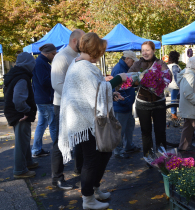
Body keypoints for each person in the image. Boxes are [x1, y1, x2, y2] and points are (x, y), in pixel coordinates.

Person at [58, 32, 127, 210]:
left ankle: (94, 189)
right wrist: (120, 79)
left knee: (104, 153)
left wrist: (110, 93)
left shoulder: (81, 64)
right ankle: (87, 199)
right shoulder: (83, 68)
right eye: (101, 51)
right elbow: (96, 92)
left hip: (86, 119)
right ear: (95, 50)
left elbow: (94, 90)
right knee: (92, 160)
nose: (102, 54)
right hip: (84, 122)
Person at [51, 29, 85, 190]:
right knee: (60, 141)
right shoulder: (61, 57)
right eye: (82, 41)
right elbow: (57, 84)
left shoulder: (77, 56)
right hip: (62, 106)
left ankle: (80, 169)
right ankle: (57, 177)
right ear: (74, 41)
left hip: (76, 104)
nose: (84, 44)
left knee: (79, 137)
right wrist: (77, 95)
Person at [128, 41, 172, 158]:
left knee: (160, 131)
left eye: (147, 50)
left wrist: (157, 80)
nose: (145, 53)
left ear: (153, 50)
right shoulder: (137, 64)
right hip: (143, 102)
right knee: (146, 132)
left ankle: (162, 157)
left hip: (159, 102)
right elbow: (128, 78)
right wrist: (139, 80)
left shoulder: (160, 63)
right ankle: (148, 157)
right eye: (143, 51)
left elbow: (169, 76)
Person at [3, 52, 38, 179]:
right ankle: (20, 170)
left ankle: (27, 162)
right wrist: (27, 111)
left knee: (23, 139)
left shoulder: (14, 74)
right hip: (20, 114)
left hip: (15, 112)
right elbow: (18, 99)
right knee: (21, 141)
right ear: (28, 64)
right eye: (32, 63)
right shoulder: (22, 77)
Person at [112, 50, 141, 159]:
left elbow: (127, 85)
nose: (133, 63)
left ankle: (129, 146)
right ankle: (118, 151)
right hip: (121, 106)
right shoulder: (119, 69)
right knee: (120, 130)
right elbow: (117, 89)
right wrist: (127, 102)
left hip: (126, 105)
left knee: (129, 127)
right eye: (133, 61)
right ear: (127, 59)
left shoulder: (124, 68)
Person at [31, 44, 57, 158]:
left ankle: (36, 149)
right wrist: (56, 80)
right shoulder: (41, 63)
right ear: (47, 53)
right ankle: (58, 149)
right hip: (45, 99)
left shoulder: (41, 62)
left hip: (42, 98)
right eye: (53, 54)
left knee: (42, 125)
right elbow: (44, 81)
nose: (54, 56)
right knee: (53, 125)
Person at [177, 56, 195, 151]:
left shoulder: (188, 73)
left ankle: (182, 150)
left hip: (189, 108)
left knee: (187, 130)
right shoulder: (190, 75)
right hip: (192, 108)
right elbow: (187, 93)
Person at [167, 51, 181, 120]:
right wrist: (180, 86)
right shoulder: (175, 66)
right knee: (174, 101)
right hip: (175, 86)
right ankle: (174, 115)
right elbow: (176, 76)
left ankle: (174, 114)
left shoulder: (169, 65)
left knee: (174, 100)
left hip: (170, 85)